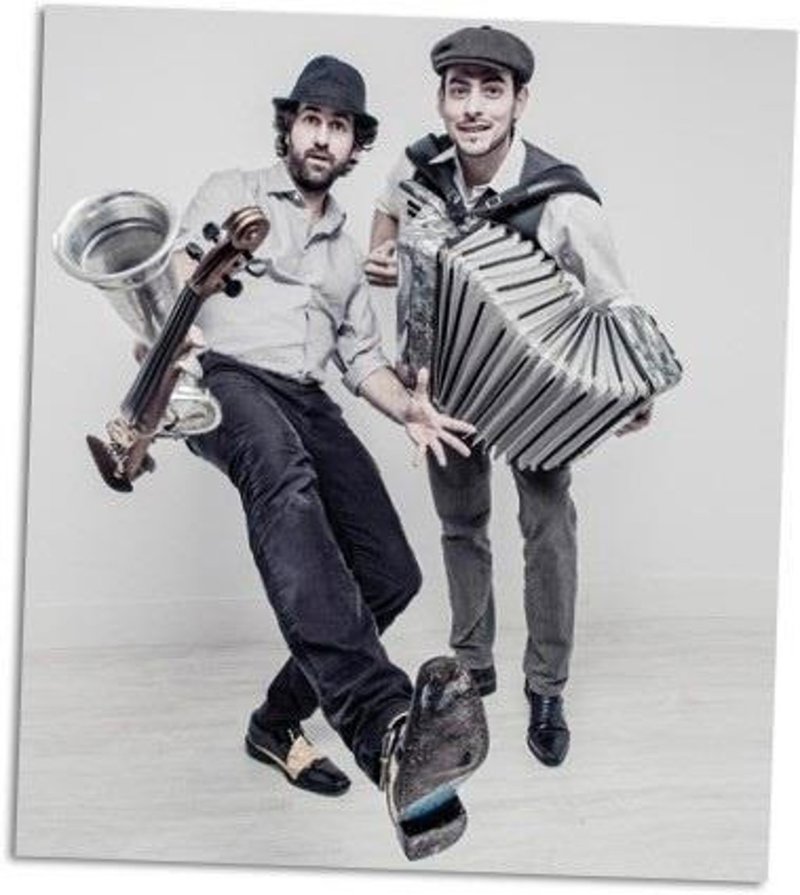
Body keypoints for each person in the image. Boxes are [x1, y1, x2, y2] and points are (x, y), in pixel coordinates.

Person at [173, 55, 488, 860]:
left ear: (354, 145)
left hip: (308, 395)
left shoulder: (347, 252)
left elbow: (362, 360)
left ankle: (276, 723)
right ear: (289, 128)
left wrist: (409, 407)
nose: (321, 136)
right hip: (226, 378)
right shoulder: (232, 191)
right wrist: (174, 335)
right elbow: (179, 270)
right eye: (310, 120)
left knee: (391, 573)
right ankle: (387, 730)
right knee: (284, 479)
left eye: (338, 126)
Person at [365, 26, 651, 769]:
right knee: (461, 524)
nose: (473, 107)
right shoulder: (417, 167)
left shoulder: (562, 200)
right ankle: (473, 662)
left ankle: (547, 686)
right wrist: (381, 253)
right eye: (458, 89)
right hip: (443, 384)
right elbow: (387, 213)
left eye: (491, 90)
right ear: (440, 99)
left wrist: (631, 384)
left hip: (531, 395)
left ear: (520, 102)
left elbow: (613, 301)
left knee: (547, 530)